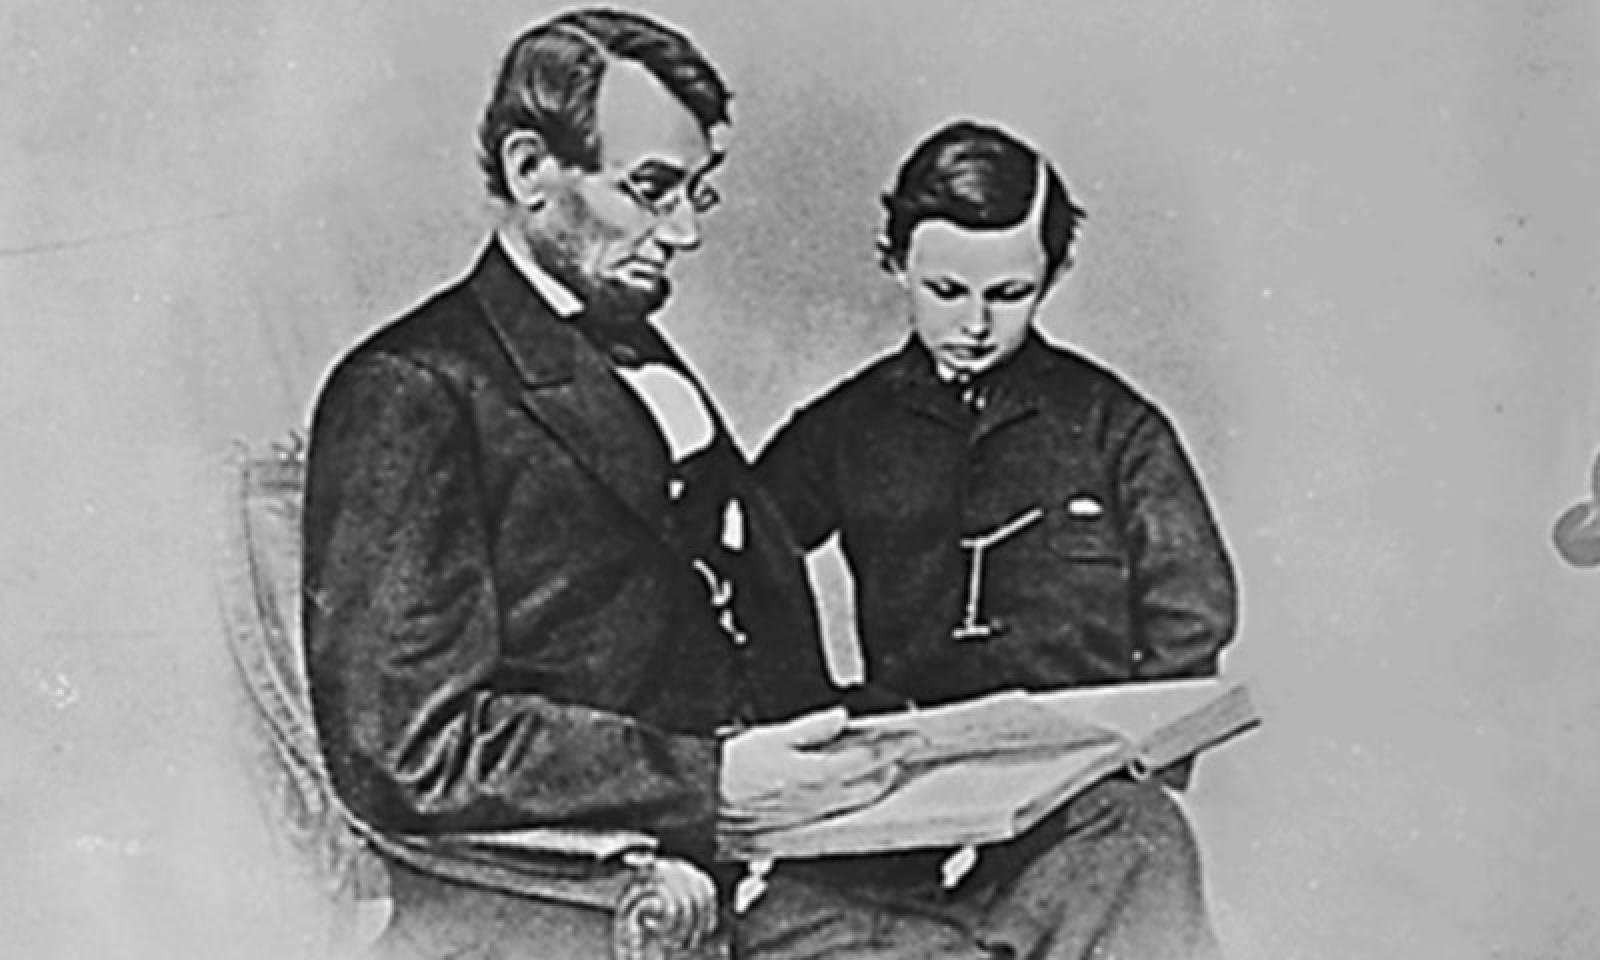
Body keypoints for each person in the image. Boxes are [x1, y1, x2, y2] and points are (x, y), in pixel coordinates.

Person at [300, 9, 897, 956]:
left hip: (784, 852)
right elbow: (409, 748)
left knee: (1097, 857)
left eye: (698, 192)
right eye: (652, 190)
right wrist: (711, 779)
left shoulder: (630, 345)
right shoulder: (411, 390)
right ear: (531, 169)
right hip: (594, 900)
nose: (685, 232)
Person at [745, 120, 1239, 958]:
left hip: (1078, 799)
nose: (974, 323)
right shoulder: (846, 426)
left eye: (1009, 294)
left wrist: (1134, 759)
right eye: (945, 290)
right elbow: (744, 560)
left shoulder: (1113, 427)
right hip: (897, 793)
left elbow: (1191, 612)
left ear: (1054, 274)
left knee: (1144, 853)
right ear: (895, 262)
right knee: (788, 928)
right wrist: (812, 718)